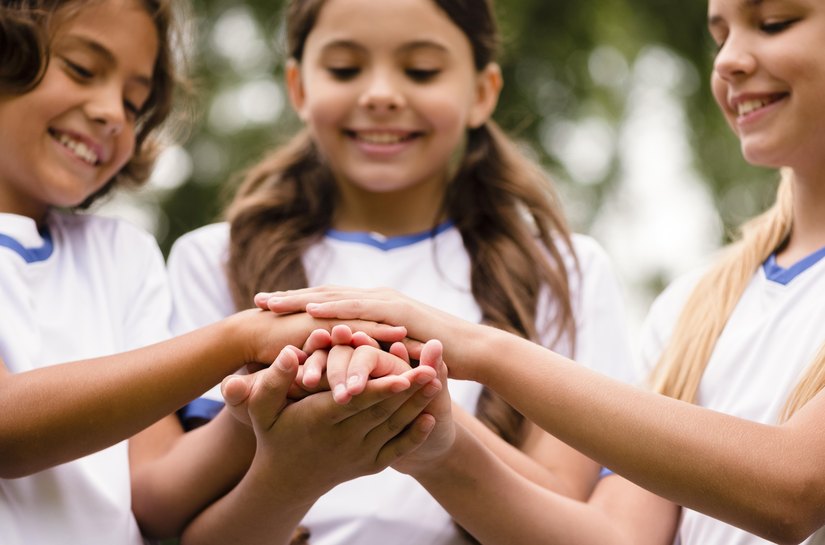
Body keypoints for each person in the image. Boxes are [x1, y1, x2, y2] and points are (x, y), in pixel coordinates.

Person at [259, 0, 825, 542]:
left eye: (774, 23)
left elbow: (792, 491)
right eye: (720, 34)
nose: (727, 60)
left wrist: (480, 349)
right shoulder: (694, 307)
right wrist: (433, 441)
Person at [166, 0, 637, 543]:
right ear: (298, 87)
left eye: (421, 71)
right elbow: (174, 518)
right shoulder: (213, 258)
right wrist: (274, 406)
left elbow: (567, 509)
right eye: (344, 69)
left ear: (482, 92)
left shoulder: (566, 272)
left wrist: (410, 399)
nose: (381, 94)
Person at [0, 2, 441, 544]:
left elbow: (155, 501)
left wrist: (272, 387)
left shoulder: (123, 256)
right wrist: (241, 336)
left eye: (134, 102)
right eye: (82, 69)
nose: (113, 112)